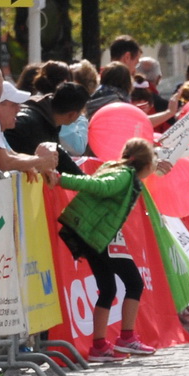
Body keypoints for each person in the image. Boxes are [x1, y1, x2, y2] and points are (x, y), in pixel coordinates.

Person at [52, 137, 160, 361]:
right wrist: (61, 180)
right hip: (101, 235)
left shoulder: (114, 168)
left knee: (108, 288)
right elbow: (99, 187)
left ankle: (99, 346)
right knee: (134, 283)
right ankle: (127, 337)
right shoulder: (124, 176)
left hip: (93, 235)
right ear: (146, 164)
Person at [7, 81, 90, 177]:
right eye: (81, 113)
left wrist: (86, 182)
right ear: (72, 114)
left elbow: (59, 155)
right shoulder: (29, 122)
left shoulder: (45, 116)